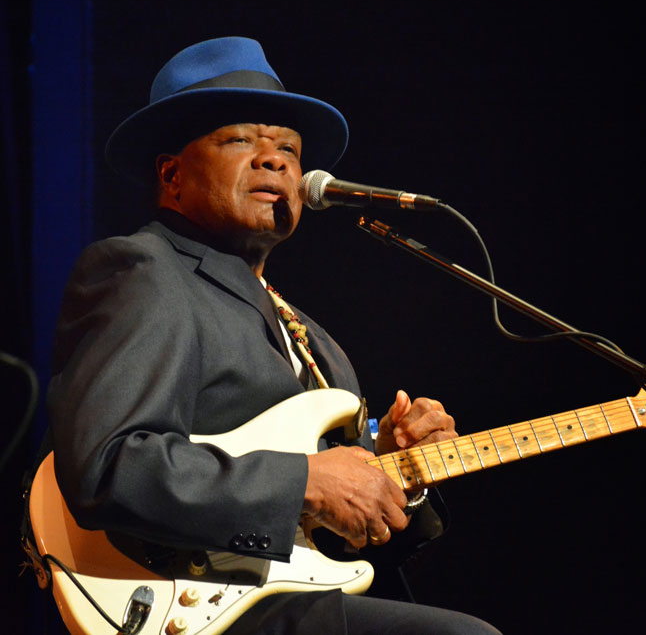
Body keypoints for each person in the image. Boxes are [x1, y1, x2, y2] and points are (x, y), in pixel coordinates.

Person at [46, 37, 502, 634]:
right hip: (194, 605)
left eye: (288, 148)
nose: (275, 160)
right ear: (172, 175)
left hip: (281, 595)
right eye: (240, 140)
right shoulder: (144, 270)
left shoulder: (318, 345)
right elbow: (105, 467)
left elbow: (349, 547)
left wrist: (396, 472)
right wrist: (308, 483)